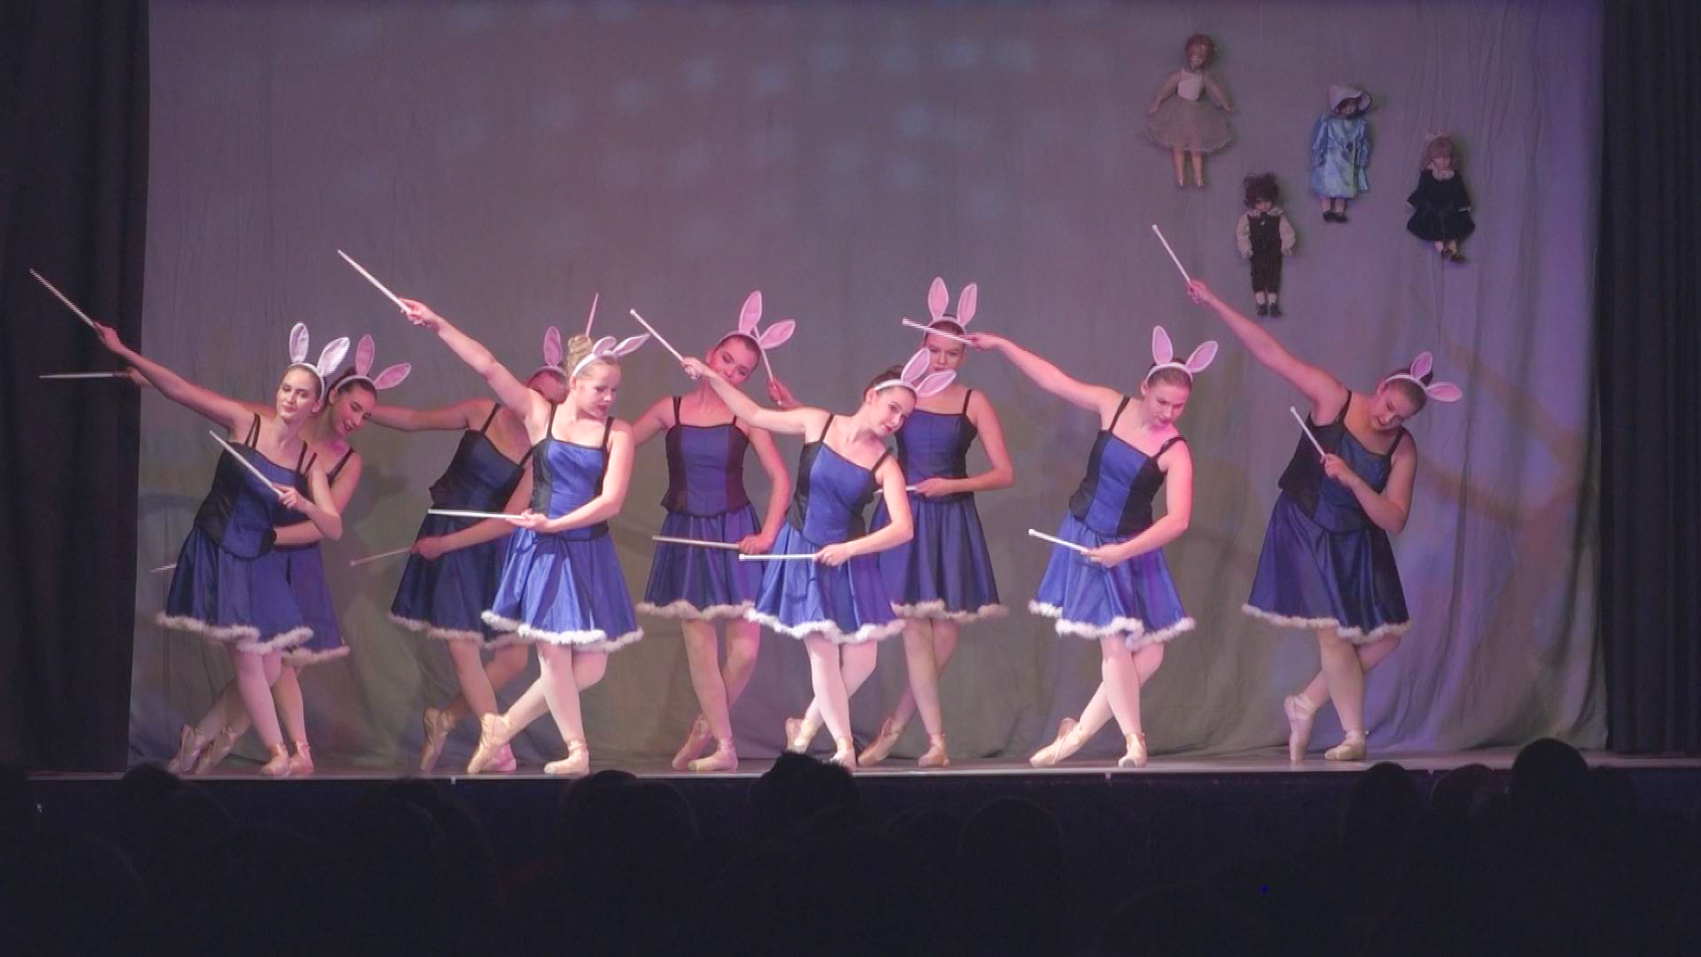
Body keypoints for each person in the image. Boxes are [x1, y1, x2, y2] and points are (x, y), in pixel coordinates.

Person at [1189, 277, 1461, 762]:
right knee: (1333, 632)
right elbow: (1270, 353)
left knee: (1388, 637)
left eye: (1399, 418)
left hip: (1356, 539)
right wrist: (1213, 302)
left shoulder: (1403, 450)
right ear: (1381, 387)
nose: (1386, 419)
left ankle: (1305, 702)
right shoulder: (1334, 397)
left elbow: (1394, 519)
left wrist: (1355, 481)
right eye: (1388, 407)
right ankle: (1355, 736)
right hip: (1305, 525)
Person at [404, 298, 646, 776]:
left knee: (591, 666)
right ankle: (577, 750)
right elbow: (488, 365)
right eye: (600, 388)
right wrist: (438, 324)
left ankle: (503, 726)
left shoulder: (617, 433)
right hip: (543, 550)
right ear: (574, 382)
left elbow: (611, 501)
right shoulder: (540, 415)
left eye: (614, 390)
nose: (608, 399)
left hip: (588, 548)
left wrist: (557, 523)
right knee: (553, 656)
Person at [678, 350, 944, 769]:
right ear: (871, 396)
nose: (896, 421)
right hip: (804, 551)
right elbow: (753, 413)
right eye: (893, 408)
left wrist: (849, 550)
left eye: (904, 416)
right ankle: (843, 747)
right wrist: (711, 375)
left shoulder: (885, 464)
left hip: (850, 561)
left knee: (863, 661)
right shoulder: (817, 422)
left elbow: (903, 529)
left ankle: (805, 726)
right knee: (822, 653)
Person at [102, 321, 347, 777]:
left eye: (301, 394)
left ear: (316, 405)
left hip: (261, 561)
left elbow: (332, 527)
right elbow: (180, 390)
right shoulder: (245, 422)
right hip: (219, 547)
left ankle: (195, 738)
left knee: (270, 669)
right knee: (250, 660)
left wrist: (306, 505)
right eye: (285, 389)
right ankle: (278, 752)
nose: (290, 399)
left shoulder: (310, 461)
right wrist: (124, 350)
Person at [978, 327, 1215, 769]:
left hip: (1133, 547)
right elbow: (1054, 380)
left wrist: (1122, 553)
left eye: (1179, 405)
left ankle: (1076, 734)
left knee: (1152, 654)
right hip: (1087, 534)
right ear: (1144, 387)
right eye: (1162, 401)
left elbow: (1178, 520)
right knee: (1114, 643)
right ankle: (1133, 741)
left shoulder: (1175, 450)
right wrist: (1004, 345)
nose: (1169, 412)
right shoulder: (1113, 404)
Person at [629, 292, 794, 772]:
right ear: (709, 356)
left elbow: (781, 480)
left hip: (735, 531)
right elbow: (619, 443)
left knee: (745, 650)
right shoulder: (671, 409)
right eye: (726, 360)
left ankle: (706, 724)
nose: (732, 372)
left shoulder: (747, 415)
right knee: (700, 648)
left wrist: (767, 535)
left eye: (742, 371)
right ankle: (725, 745)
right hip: (686, 533)